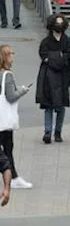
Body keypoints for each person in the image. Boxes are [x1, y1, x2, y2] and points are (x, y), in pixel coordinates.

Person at [36, 14, 70, 143]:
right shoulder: (45, 42)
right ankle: (48, 132)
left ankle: (58, 132)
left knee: (61, 104)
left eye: (61, 23)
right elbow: (43, 55)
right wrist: (60, 57)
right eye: (56, 23)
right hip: (48, 75)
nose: (59, 25)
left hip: (64, 75)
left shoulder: (67, 40)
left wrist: (54, 58)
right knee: (48, 104)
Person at [0, 44, 29, 188]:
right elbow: (11, 97)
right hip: (4, 120)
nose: (13, 56)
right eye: (11, 53)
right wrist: (22, 91)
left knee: (6, 148)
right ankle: (13, 178)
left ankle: (14, 177)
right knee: (8, 149)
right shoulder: (7, 75)